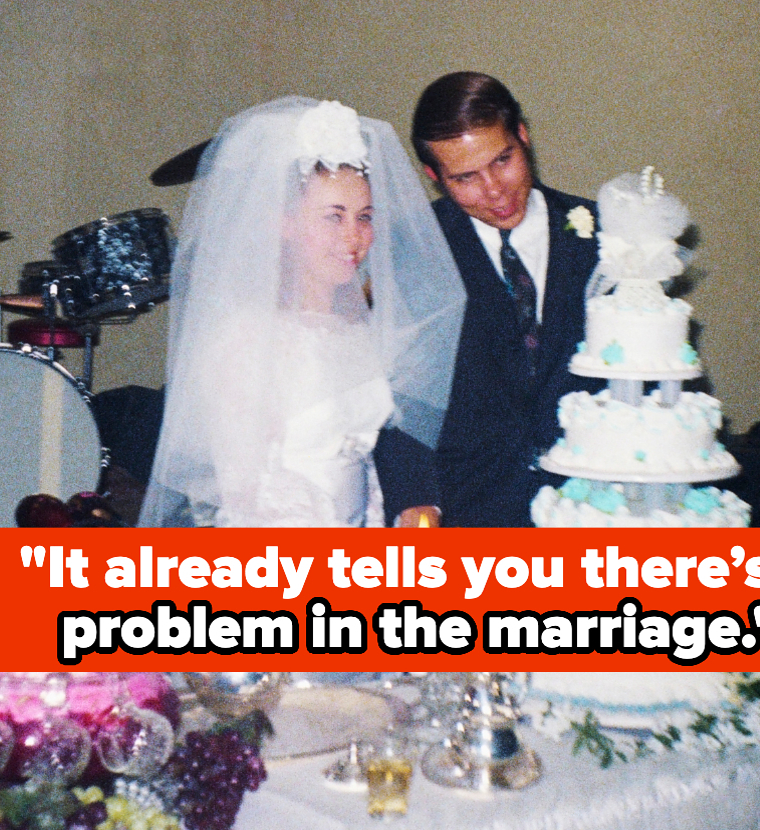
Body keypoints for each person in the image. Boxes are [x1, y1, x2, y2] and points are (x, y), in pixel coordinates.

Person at [139, 97, 465, 528]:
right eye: (334, 217)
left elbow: (365, 466)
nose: (354, 238)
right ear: (286, 223)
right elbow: (243, 494)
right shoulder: (245, 340)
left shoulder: (355, 326)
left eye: (364, 216)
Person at [411, 72, 604, 527]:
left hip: (595, 514)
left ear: (523, 136)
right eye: (465, 177)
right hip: (468, 518)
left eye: (502, 160)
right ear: (434, 177)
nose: (494, 190)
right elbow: (402, 403)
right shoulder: (414, 249)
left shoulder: (606, 238)